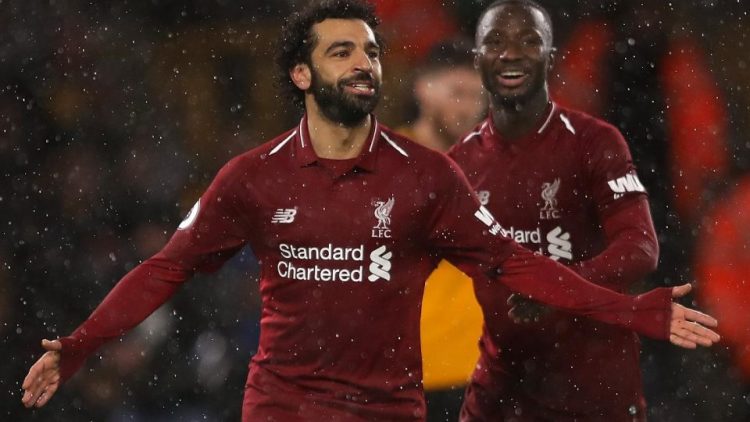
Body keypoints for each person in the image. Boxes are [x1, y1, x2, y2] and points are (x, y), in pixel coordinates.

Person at [22, 1, 719, 421]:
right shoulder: (252, 177)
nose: (364, 63)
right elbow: (165, 269)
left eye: (372, 51)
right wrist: (79, 344)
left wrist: (630, 310)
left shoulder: (428, 178)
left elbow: (517, 266)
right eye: (343, 51)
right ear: (302, 74)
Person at [449, 1, 694, 420]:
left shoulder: (595, 143)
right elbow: (399, 260)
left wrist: (559, 289)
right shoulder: (460, 163)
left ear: (551, 57)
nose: (511, 53)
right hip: (502, 395)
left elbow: (641, 247)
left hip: (594, 390)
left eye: (529, 41)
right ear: (477, 59)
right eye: (496, 41)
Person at [396, 38, 486, 422]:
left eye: (478, 96)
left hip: (484, 375)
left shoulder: (496, 164)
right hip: (410, 377)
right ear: (424, 88)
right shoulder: (383, 164)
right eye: (457, 93)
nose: (468, 107)